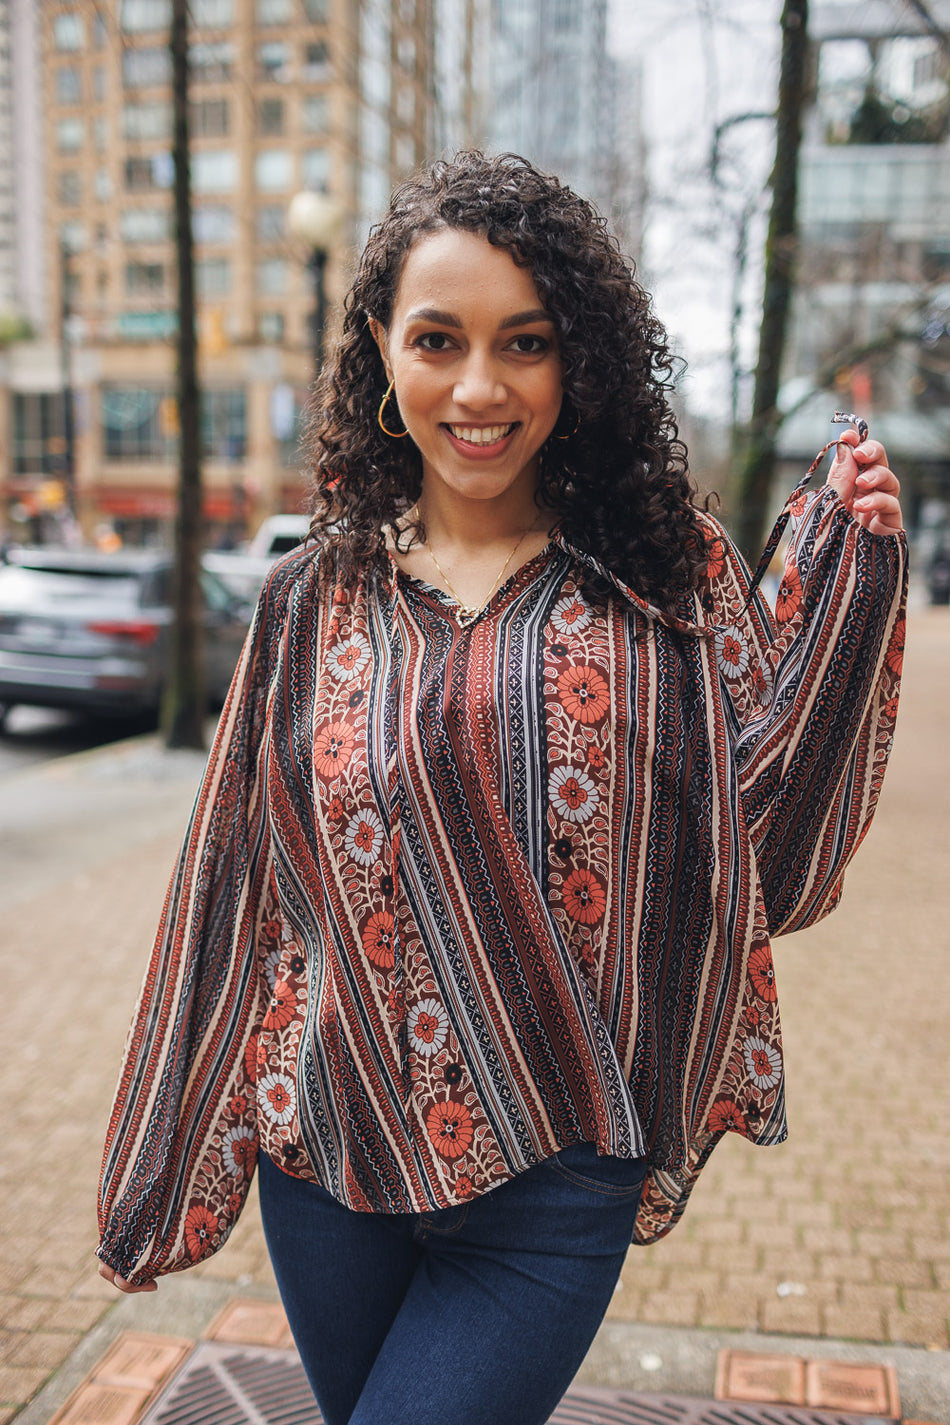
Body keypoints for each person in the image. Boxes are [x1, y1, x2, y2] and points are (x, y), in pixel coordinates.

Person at [97, 152, 906, 1425]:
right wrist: (159, 1169)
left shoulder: (664, 583)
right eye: (437, 339)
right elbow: (229, 890)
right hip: (327, 1161)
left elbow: (777, 858)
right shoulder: (306, 601)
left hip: (553, 1178)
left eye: (522, 343)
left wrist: (848, 582)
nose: (478, 388)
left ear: (574, 361)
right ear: (381, 350)